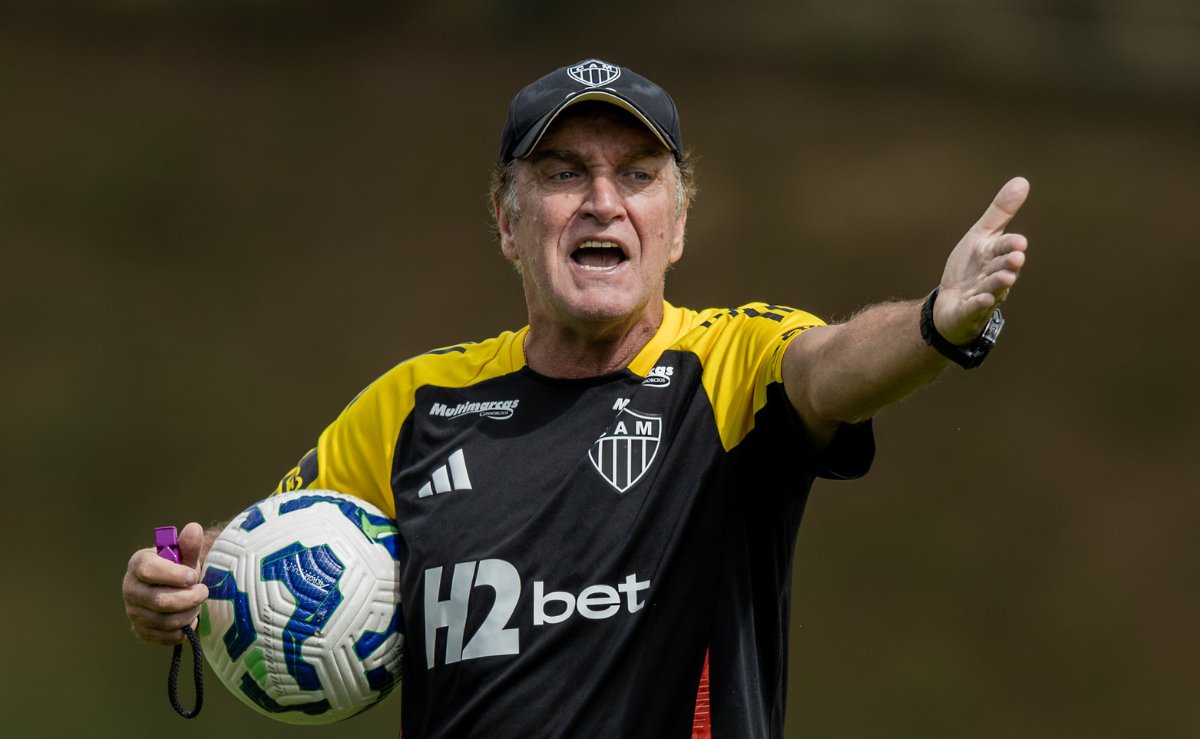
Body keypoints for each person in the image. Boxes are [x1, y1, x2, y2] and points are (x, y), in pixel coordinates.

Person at [122, 58, 1030, 738]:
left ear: (675, 225)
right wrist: (168, 581)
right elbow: (249, 563)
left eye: (637, 175)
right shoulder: (415, 404)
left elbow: (830, 365)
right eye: (562, 173)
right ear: (508, 221)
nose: (603, 201)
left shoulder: (728, 362)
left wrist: (935, 322)